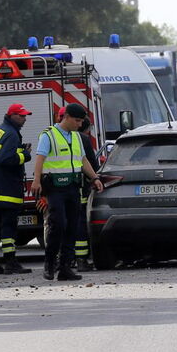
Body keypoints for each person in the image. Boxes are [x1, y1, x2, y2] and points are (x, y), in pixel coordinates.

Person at [30, 103, 104, 281]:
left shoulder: (77, 137)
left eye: (81, 121)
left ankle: (65, 268)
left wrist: (94, 178)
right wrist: (36, 180)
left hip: (73, 187)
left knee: (72, 227)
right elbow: (40, 158)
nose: (79, 125)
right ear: (67, 117)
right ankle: (50, 264)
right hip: (55, 188)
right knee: (58, 225)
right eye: (77, 121)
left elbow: (83, 159)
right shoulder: (49, 135)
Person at [0, 103, 33, 275]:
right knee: (8, 227)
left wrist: (18, 150)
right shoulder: (11, 134)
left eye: (25, 116)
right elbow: (5, 159)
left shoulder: (1, 130)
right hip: (7, 190)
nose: (24, 119)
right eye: (21, 116)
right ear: (11, 115)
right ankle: (10, 262)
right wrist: (24, 155)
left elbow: (0, 155)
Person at [74, 115, 99, 272]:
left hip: (59, 191)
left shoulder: (50, 135)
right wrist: (95, 178)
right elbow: (91, 162)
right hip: (80, 189)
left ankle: (63, 260)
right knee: (80, 225)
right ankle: (82, 260)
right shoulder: (83, 139)